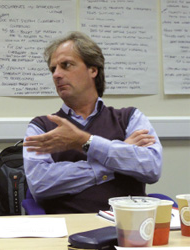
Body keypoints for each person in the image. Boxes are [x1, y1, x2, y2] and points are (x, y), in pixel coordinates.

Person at [23, 31, 162, 213]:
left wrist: (85, 142)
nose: (56, 75)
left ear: (93, 70)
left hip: (126, 227)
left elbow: (151, 168)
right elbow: (40, 185)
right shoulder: (43, 126)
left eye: (66, 65)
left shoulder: (130, 118)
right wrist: (118, 155)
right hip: (68, 230)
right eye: (53, 69)